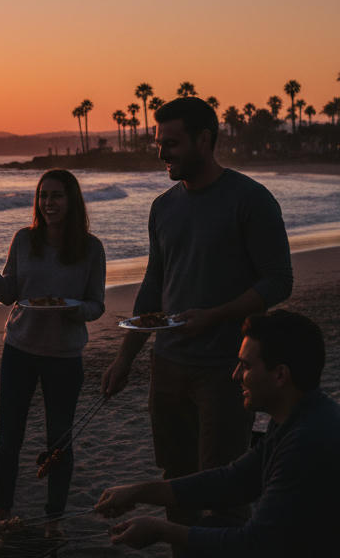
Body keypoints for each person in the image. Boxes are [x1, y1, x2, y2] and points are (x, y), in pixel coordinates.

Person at [100, 97, 293, 527]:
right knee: (176, 482)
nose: (161, 152)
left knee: (224, 492)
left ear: (204, 140)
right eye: (158, 141)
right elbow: (153, 290)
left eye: (172, 142)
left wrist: (215, 315)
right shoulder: (163, 207)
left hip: (225, 370)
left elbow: (279, 281)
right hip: (166, 366)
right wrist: (124, 357)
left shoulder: (251, 200)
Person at [95, 310, 337, 557]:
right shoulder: (295, 417)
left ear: (280, 375)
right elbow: (234, 481)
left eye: (245, 366)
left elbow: (254, 544)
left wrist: (161, 531)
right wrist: (139, 492)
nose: (235, 376)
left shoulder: (306, 441)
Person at [0, 169, 106, 534]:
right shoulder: (24, 240)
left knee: (59, 439)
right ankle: (3, 510)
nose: (49, 203)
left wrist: (75, 310)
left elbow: (96, 304)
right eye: (44, 196)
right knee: (10, 437)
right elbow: (10, 294)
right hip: (20, 350)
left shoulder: (91, 248)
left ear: (72, 201)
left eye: (57, 196)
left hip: (65, 356)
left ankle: (54, 518)